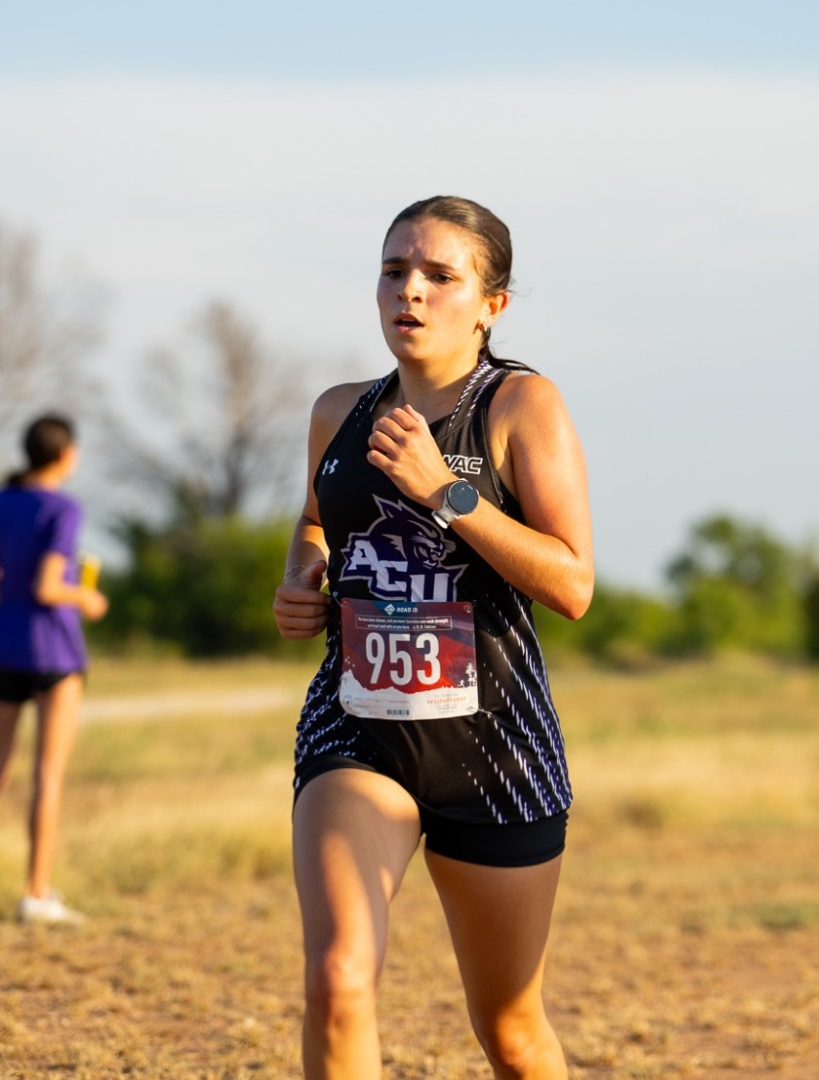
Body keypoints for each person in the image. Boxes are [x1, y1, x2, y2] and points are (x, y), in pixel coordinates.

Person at [271, 196, 593, 1078]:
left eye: (439, 276)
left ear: (492, 304)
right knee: (338, 980)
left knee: (513, 1033)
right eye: (393, 270)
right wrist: (301, 575)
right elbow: (314, 520)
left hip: (495, 749)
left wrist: (444, 491)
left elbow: (572, 583)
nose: (408, 292)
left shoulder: (522, 404)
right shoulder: (338, 410)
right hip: (358, 731)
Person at [0, 414, 108, 924]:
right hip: (55, 654)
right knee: (47, 775)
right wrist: (84, 596)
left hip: (6, 648)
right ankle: (35, 893)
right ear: (65, 454)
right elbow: (48, 587)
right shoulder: (62, 507)